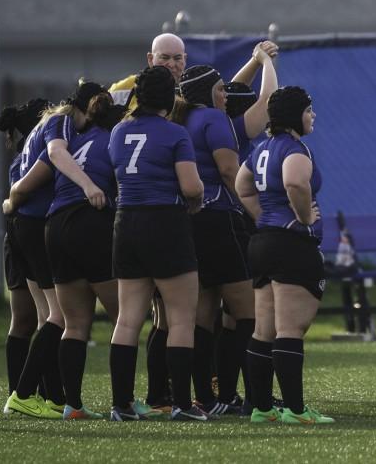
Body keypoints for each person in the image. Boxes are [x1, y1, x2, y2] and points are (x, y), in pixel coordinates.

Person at [6, 87, 124, 419]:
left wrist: (11, 201)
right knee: (103, 318)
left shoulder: (69, 137)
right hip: (55, 220)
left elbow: (21, 179)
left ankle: (60, 400)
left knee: (59, 318)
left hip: (43, 225)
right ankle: (27, 393)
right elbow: (54, 157)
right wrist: (89, 186)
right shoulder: (62, 124)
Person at [107, 66, 206, 421]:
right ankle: (180, 404)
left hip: (126, 222)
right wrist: (195, 202)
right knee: (180, 318)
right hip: (165, 221)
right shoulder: (175, 133)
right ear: (170, 97)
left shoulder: (118, 131)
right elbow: (192, 187)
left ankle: (121, 405)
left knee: (128, 319)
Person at [235, 86, 334, 424]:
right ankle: (295, 410)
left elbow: (242, 185)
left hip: (263, 242)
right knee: (290, 328)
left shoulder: (262, 148)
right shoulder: (294, 149)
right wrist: (304, 218)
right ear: (295, 115)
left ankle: (261, 408)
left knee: (264, 329)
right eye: (309, 110)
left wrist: (261, 215)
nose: (313, 115)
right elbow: (295, 183)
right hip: (291, 245)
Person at [172, 64, 255, 416]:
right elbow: (228, 171)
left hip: (189, 223)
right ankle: (237, 395)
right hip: (219, 220)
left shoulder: (182, 120)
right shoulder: (213, 119)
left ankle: (205, 396)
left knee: (203, 315)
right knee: (249, 313)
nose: (225, 95)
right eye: (220, 89)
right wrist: (256, 211)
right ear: (205, 92)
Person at [216, 42, 279, 412]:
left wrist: (253, 61)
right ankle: (249, 395)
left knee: (225, 317)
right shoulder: (238, 132)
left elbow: (226, 92)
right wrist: (266, 61)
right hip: (236, 222)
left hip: (210, 222)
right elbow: (268, 99)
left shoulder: (210, 118)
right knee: (250, 317)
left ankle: (221, 393)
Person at [0, 98, 49, 403]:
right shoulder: (34, 154)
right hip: (25, 238)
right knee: (37, 318)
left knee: (31, 318)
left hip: (16, 237)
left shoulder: (28, 153)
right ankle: (22, 392)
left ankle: (33, 391)